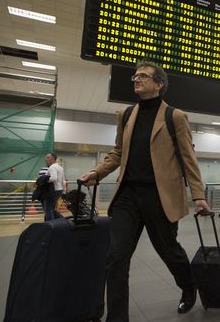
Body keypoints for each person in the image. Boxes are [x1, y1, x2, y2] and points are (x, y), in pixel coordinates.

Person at [78, 60, 209, 319]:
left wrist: (199, 195)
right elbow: (118, 152)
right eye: (135, 76)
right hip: (127, 195)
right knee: (116, 257)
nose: (137, 79)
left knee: (168, 250)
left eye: (144, 76)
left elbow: (188, 158)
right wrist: (97, 172)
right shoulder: (126, 115)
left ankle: (188, 285)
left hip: (160, 197)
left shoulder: (175, 117)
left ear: (159, 84)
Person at [42, 152, 66, 221]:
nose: (46, 159)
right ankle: (60, 221)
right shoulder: (60, 167)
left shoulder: (52, 167)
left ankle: (51, 224)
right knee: (51, 208)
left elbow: (54, 178)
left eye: (48, 157)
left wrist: (43, 181)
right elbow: (63, 180)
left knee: (48, 209)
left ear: (52, 158)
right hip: (59, 190)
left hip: (53, 190)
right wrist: (64, 190)